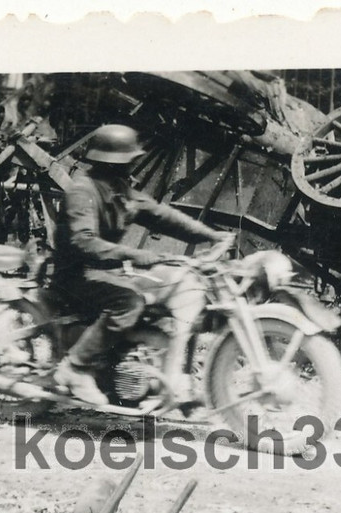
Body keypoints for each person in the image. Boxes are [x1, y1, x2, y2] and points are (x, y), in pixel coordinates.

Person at [50, 124, 233, 405]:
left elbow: (163, 216)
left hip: (106, 272)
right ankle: (75, 368)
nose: (133, 166)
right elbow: (84, 242)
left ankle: (158, 376)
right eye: (130, 160)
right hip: (75, 276)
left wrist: (211, 235)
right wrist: (141, 256)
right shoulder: (82, 192)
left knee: (163, 294)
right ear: (112, 162)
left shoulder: (121, 190)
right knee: (129, 303)